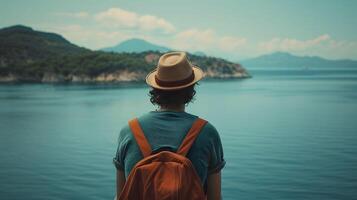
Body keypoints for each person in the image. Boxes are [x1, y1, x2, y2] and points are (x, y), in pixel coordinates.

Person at [113, 51, 225, 200]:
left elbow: (120, 195)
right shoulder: (207, 132)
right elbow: (215, 198)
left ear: (155, 89)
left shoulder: (129, 131)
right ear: (191, 90)